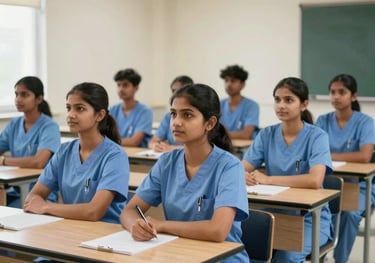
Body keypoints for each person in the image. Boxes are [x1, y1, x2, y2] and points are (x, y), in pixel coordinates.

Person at [120, 84, 249, 262]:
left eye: (187, 115)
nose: (176, 122)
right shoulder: (167, 162)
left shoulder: (229, 167)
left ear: (210, 123)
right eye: (173, 114)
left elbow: (218, 231)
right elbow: (129, 211)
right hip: (178, 253)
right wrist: (136, 225)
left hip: (221, 258)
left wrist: (163, 225)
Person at [242, 77, 332, 262]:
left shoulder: (317, 136)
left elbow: (315, 181)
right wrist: (242, 174)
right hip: (272, 214)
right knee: (245, 252)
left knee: (286, 257)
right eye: (277, 99)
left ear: (304, 104)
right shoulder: (266, 134)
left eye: (288, 100)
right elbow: (241, 167)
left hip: (309, 219)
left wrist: (268, 179)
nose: (281, 105)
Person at [24, 82, 129, 224]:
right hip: (70, 226)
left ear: (99, 115)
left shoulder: (115, 156)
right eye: (68, 108)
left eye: (80, 109)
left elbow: (93, 212)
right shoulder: (64, 151)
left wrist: (46, 206)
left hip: (106, 235)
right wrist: (38, 203)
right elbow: (33, 196)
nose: (70, 115)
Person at [315, 74, 375, 263]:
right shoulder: (322, 121)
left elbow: (365, 156)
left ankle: (340, 260)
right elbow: (313, 152)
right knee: (318, 212)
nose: (336, 96)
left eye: (342, 92)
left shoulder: (365, 122)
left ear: (354, 96)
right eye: (333, 92)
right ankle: (320, 254)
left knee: (349, 214)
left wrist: (327, 156)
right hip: (328, 184)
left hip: (359, 186)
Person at [0, 76, 61, 207]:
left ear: (39, 99)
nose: (18, 99)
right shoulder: (14, 124)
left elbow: (39, 162)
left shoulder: (49, 126)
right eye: (16, 94)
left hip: (40, 195)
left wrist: (3, 161)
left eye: (24, 95)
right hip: (15, 190)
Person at [148, 75, 194, 152]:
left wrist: (172, 148)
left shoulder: (195, 116)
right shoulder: (168, 117)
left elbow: (200, 147)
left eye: (179, 91)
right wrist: (156, 146)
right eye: (173, 91)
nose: (175, 95)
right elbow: (153, 141)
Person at [109, 68, 153, 148]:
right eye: (118, 85)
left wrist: (108, 142)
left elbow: (135, 141)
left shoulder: (145, 111)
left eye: (125, 85)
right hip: (114, 152)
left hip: (136, 157)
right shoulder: (112, 110)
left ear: (136, 88)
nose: (121, 89)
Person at [220, 64, 259, 140]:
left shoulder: (252, 106)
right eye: (226, 80)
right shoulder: (218, 104)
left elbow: (246, 135)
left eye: (233, 81)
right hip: (222, 148)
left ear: (243, 84)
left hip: (243, 149)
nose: (229, 84)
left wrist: (222, 136)